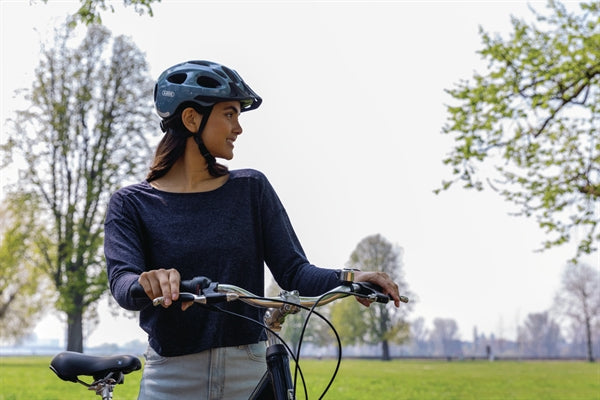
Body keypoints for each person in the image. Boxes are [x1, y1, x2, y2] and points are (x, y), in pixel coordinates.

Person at [105, 60, 402, 400]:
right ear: (191, 119)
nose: (238, 128)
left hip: (250, 371)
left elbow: (294, 273)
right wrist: (148, 282)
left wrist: (351, 279)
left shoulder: (250, 189)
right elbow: (123, 283)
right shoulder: (130, 204)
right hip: (172, 378)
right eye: (229, 114)